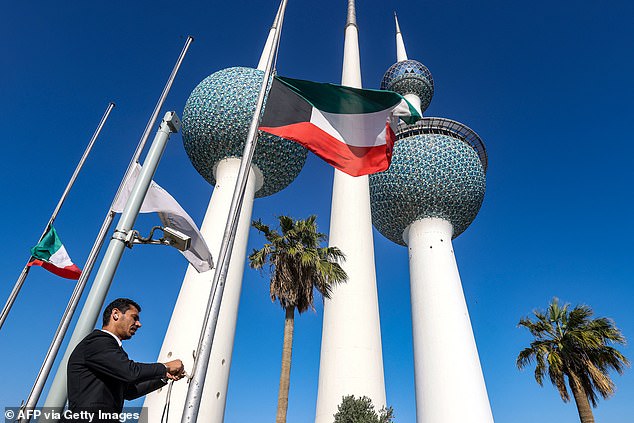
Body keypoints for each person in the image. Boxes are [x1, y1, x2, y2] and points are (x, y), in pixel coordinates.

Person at [66, 298, 184, 421]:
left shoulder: (112, 350)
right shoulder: (98, 342)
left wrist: (164, 376)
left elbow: (129, 391)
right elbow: (130, 372)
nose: (139, 324)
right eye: (135, 318)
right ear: (115, 314)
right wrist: (165, 366)